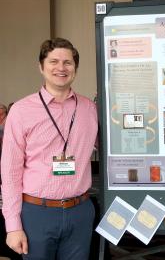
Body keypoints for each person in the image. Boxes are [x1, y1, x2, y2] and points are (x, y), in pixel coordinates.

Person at [1, 38, 98, 259]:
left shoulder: (90, 109)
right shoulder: (21, 111)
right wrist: (13, 225)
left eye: (68, 62)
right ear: (41, 66)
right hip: (36, 213)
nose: (61, 68)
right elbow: (10, 172)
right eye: (53, 61)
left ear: (75, 68)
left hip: (80, 211)